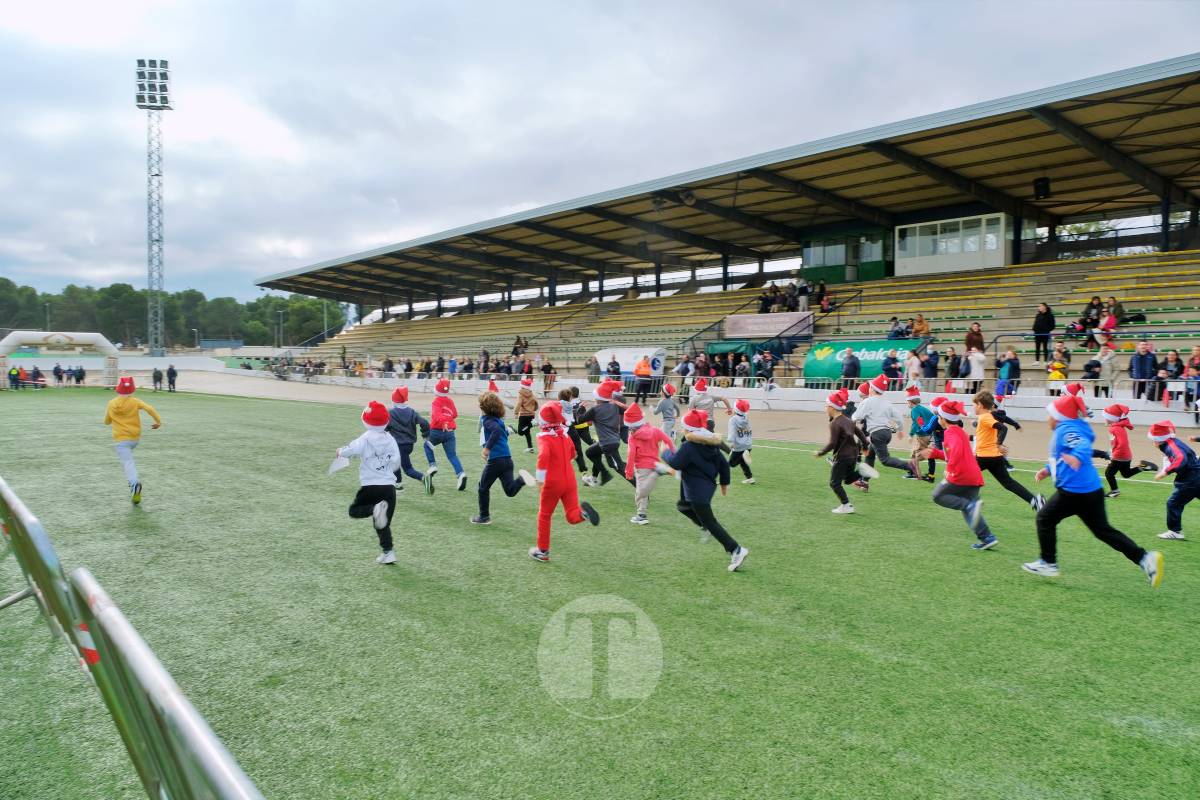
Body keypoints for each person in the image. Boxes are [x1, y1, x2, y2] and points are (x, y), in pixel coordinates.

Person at [1020, 393, 1162, 587]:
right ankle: (1145, 558)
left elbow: (1081, 445)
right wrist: (1047, 470)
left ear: (1059, 416)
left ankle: (1048, 563)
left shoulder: (1066, 429)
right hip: (1091, 490)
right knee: (1103, 531)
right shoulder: (1074, 426)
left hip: (1073, 492)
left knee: (1044, 519)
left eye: (1050, 414)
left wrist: (1077, 456)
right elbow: (1063, 456)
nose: (1048, 418)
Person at [665, 410, 749, 572]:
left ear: (688, 429)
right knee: (682, 505)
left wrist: (665, 451)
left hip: (698, 493)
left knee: (710, 522)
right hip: (706, 487)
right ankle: (705, 526)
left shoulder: (689, 447)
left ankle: (736, 550)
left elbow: (675, 463)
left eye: (683, 427)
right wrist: (724, 484)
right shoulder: (711, 444)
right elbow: (724, 465)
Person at [917, 399, 998, 550]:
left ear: (942, 419)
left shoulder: (950, 433)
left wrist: (950, 471)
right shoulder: (959, 431)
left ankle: (971, 506)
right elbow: (951, 453)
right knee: (968, 510)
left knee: (938, 495)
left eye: (939, 417)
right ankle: (987, 537)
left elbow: (956, 452)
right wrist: (934, 453)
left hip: (961, 475)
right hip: (974, 476)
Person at [528, 403, 600, 561]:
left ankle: (542, 551)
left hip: (553, 483)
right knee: (572, 515)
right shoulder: (564, 436)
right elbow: (573, 454)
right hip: (570, 480)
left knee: (545, 515)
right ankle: (584, 514)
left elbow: (544, 456)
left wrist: (540, 480)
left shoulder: (544, 439)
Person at [335, 401, 401, 565]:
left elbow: (351, 450)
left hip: (371, 485)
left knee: (354, 510)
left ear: (366, 420)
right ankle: (388, 552)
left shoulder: (365, 438)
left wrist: (340, 452)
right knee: (382, 524)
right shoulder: (391, 439)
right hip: (389, 487)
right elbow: (396, 462)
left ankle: (374, 509)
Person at [972, 391, 1044, 511]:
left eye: (974, 404)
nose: (973, 407)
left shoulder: (985, 417)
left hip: (984, 457)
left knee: (965, 474)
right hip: (995, 457)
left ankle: (972, 502)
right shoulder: (988, 416)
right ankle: (1035, 501)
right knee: (1008, 483)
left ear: (980, 405)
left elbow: (1003, 427)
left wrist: (999, 444)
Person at [472, 390, 533, 525]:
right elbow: (502, 431)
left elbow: (496, 432)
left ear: (484, 408)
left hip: (496, 461)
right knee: (510, 490)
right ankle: (522, 479)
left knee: (482, 488)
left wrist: (487, 449)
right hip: (507, 460)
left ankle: (484, 517)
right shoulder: (498, 420)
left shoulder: (488, 420)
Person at [104, 376, 162, 505]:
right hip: (135, 438)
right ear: (132, 390)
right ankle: (133, 489)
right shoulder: (135, 401)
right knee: (128, 459)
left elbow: (107, 421)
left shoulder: (111, 403)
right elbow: (150, 409)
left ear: (118, 389)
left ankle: (134, 484)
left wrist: (113, 418)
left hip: (121, 439)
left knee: (128, 463)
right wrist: (158, 422)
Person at [816, 388, 873, 513]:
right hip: (853, 455)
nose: (826, 408)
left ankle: (846, 505)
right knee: (847, 479)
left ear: (832, 407)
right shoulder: (849, 421)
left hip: (842, 457)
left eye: (827, 406)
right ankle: (863, 471)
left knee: (834, 483)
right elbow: (861, 434)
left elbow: (832, 443)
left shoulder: (834, 423)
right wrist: (864, 446)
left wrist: (821, 452)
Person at [853, 374, 918, 480]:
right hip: (887, 433)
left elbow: (856, 416)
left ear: (872, 389)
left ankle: (910, 466)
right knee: (870, 454)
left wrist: (850, 420)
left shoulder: (867, 401)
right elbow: (899, 418)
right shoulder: (887, 403)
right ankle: (864, 482)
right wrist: (899, 429)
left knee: (885, 460)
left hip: (877, 434)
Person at [623, 403, 676, 525]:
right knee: (643, 491)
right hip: (654, 463)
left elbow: (631, 455)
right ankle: (641, 515)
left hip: (642, 467)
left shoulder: (632, 437)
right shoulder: (655, 430)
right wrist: (674, 454)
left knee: (640, 492)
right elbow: (668, 440)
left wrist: (628, 471)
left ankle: (657, 474)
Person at [1148, 421, 1200, 541]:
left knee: (1173, 503)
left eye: (1154, 440)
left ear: (1158, 439)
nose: (1153, 443)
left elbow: (1181, 458)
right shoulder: (1171, 443)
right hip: (1196, 476)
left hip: (1190, 480)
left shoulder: (1170, 446)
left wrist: (1165, 473)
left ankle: (1175, 531)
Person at [578, 380, 629, 486]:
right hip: (609, 441)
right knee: (591, 452)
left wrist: (580, 408)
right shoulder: (613, 405)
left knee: (617, 467)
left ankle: (639, 484)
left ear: (599, 397)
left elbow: (579, 419)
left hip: (608, 443)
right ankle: (602, 475)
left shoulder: (595, 409)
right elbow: (629, 410)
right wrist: (617, 403)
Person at [1101, 404, 1156, 498]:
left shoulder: (1115, 429)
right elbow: (1117, 443)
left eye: (1106, 417)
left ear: (1112, 418)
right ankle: (1143, 467)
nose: (1104, 419)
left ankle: (1114, 491)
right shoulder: (1116, 427)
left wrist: (1114, 455)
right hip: (1125, 456)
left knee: (1108, 473)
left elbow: (1122, 444)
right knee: (1126, 474)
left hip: (1119, 457)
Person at [387, 386, 434, 494]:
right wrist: (425, 436)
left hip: (398, 445)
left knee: (407, 469)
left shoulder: (391, 413)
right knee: (394, 462)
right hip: (409, 445)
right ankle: (397, 484)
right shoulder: (412, 412)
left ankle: (422, 478)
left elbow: (386, 427)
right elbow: (425, 423)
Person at [423, 378, 469, 492]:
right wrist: (448, 420)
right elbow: (455, 414)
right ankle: (461, 474)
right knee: (452, 455)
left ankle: (433, 465)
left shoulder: (436, 401)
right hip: (450, 432)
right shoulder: (450, 401)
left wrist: (441, 419)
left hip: (436, 431)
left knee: (427, 444)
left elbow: (437, 416)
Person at [904, 385, 939, 483]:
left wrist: (911, 434)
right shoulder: (922, 409)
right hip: (928, 434)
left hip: (922, 435)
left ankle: (916, 474)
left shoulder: (915, 410)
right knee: (913, 453)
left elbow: (917, 423)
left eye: (907, 401)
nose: (907, 403)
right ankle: (912, 472)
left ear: (911, 402)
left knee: (917, 455)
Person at [727, 399, 754, 484]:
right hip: (748, 445)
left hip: (738, 446)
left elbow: (732, 432)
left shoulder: (733, 420)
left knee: (731, 464)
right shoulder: (746, 418)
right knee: (743, 463)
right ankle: (750, 478)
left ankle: (721, 478)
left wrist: (731, 442)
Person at [513, 377, 539, 453]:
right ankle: (530, 447)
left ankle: (532, 424)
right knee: (527, 432)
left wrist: (516, 413)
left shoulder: (521, 394)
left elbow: (519, 403)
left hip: (523, 415)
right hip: (531, 415)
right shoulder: (532, 394)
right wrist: (534, 409)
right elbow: (536, 402)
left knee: (520, 432)